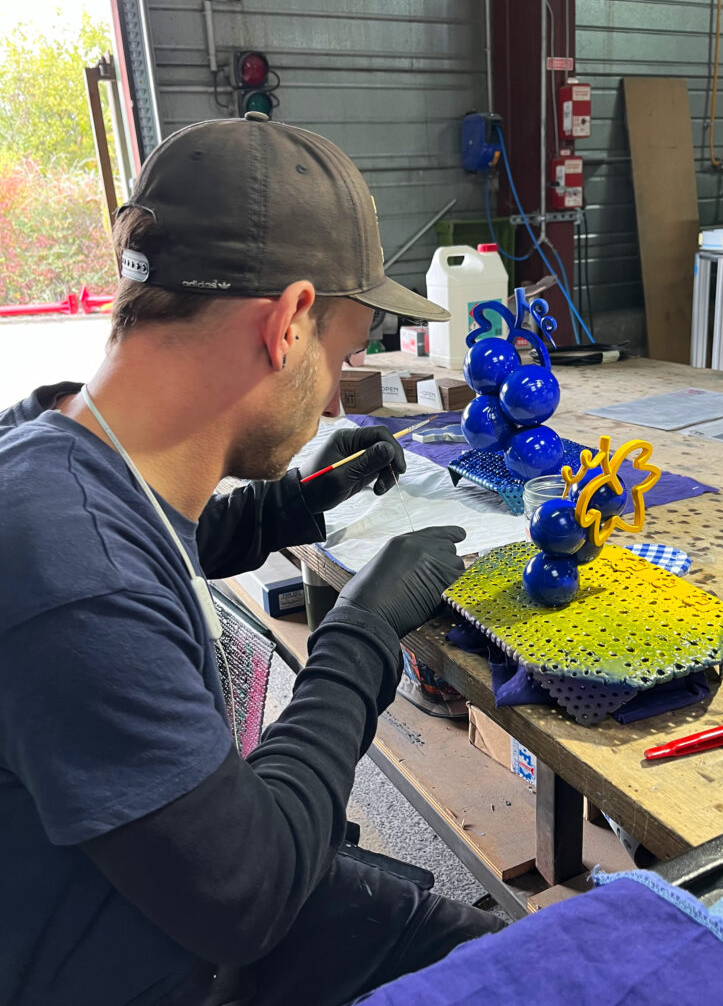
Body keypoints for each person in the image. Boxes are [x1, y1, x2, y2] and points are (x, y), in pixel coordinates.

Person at [0, 115, 505, 1006]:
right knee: (542, 973)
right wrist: (362, 635)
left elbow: (147, 538)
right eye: (342, 356)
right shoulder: (75, 582)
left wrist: (290, 507)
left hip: (128, 886)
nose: (335, 396)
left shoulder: (51, 449)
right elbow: (249, 897)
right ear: (289, 323)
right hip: (145, 962)